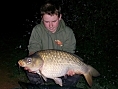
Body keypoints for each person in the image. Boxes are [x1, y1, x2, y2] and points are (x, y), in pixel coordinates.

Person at [25, 0, 80, 87]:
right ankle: (41, 86)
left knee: (75, 75)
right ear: (42, 18)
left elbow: (69, 54)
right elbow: (33, 50)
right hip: (42, 68)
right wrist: (32, 64)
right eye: (46, 22)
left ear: (60, 17)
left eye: (54, 21)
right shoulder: (37, 30)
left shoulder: (68, 32)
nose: (50, 25)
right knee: (30, 70)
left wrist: (70, 70)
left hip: (62, 70)